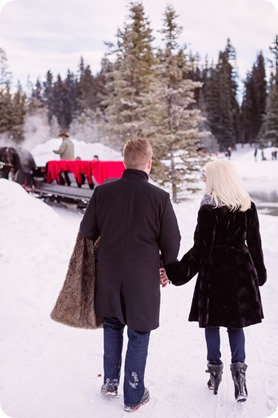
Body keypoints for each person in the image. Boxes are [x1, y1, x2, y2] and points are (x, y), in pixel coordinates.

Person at [79, 138, 181, 412]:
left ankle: (110, 382)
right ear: (149, 163)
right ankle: (134, 394)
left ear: (124, 162)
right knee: (139, 331)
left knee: (112, 324)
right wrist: (166, 266)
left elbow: (88, 231)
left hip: (109, 273)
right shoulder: (159, 198)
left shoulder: (103, 192)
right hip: (142, 278)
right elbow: (172, 241)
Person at [163, 159, 267, 403]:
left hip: (215, 272)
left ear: (215, 179)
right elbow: (255, 244)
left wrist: (176, 271)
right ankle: (240, 377)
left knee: (212, 323)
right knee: (236, 323)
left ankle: (215, 372)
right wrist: (259, 274)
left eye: (205, 176)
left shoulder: (209, 209)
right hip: (241, 271)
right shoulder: (247, 205)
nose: (203, 180)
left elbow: (201, 250)